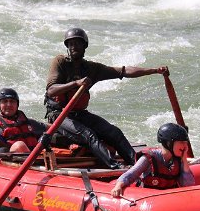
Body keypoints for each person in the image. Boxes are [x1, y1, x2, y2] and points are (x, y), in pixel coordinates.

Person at [44, 27, 169, 169]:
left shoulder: (91, 68)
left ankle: (135, 164)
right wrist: (76, 83)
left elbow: (124, 71)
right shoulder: (60, 62)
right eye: (71, 44)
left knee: (114, 132)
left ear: (85, 46)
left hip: (79, 114)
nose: (74, 47)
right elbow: (51, 90)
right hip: (59, 115)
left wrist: (153, 70)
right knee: (89, 135)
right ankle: (114, 166)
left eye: (77, 43)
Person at [111, 123, 195, 198]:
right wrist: (118, 186)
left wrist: (184, 159)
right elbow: (130, 174)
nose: (185, 146)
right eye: (181, 142)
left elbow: (188, 185)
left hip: (168, 201)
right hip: (148, 201)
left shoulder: (178, 160)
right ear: (169, 143)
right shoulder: (148, 158)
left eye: (185, 142)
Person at [0, 88, 48, 153]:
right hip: (10, 159)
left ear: (17, 105)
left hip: (34, 158)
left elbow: (51, 127)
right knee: (19, 145)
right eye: (5, 101)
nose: (9, 105)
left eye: (12, 101)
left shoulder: (28, 122)